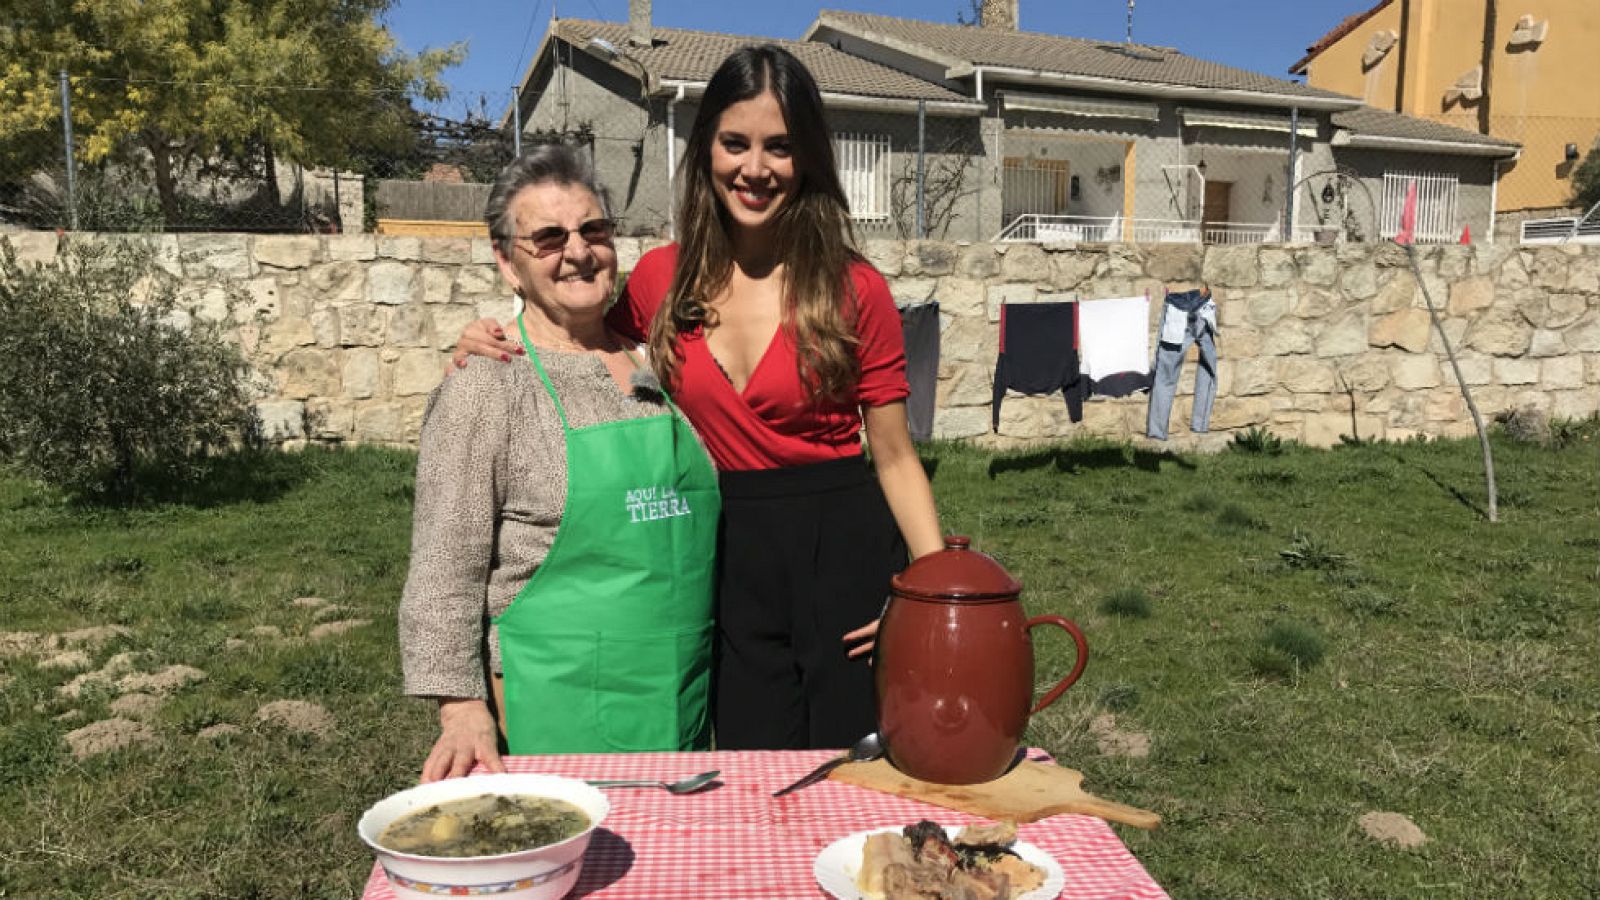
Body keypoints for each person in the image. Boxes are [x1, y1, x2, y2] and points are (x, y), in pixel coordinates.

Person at [454, 45, 942, 750]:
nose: (755, 168)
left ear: (806, 157)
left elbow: (895, 457)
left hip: (841, 550)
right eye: (735, 142)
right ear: (706, 146)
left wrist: (930, 596)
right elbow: (574, 339)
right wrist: (485, 337)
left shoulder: (853, 287)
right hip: (720, 547)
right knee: (748, 765)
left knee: (859, 765)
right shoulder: (660, 280)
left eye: (779, 146)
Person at [401, 144, 720, 782]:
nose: (578, 252)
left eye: (593, 230)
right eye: (548, 238)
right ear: (507, 262)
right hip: (557, 700)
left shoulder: (657, 358)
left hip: (681, 692)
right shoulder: (488, 383)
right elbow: (443, 565)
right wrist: (460, 707)